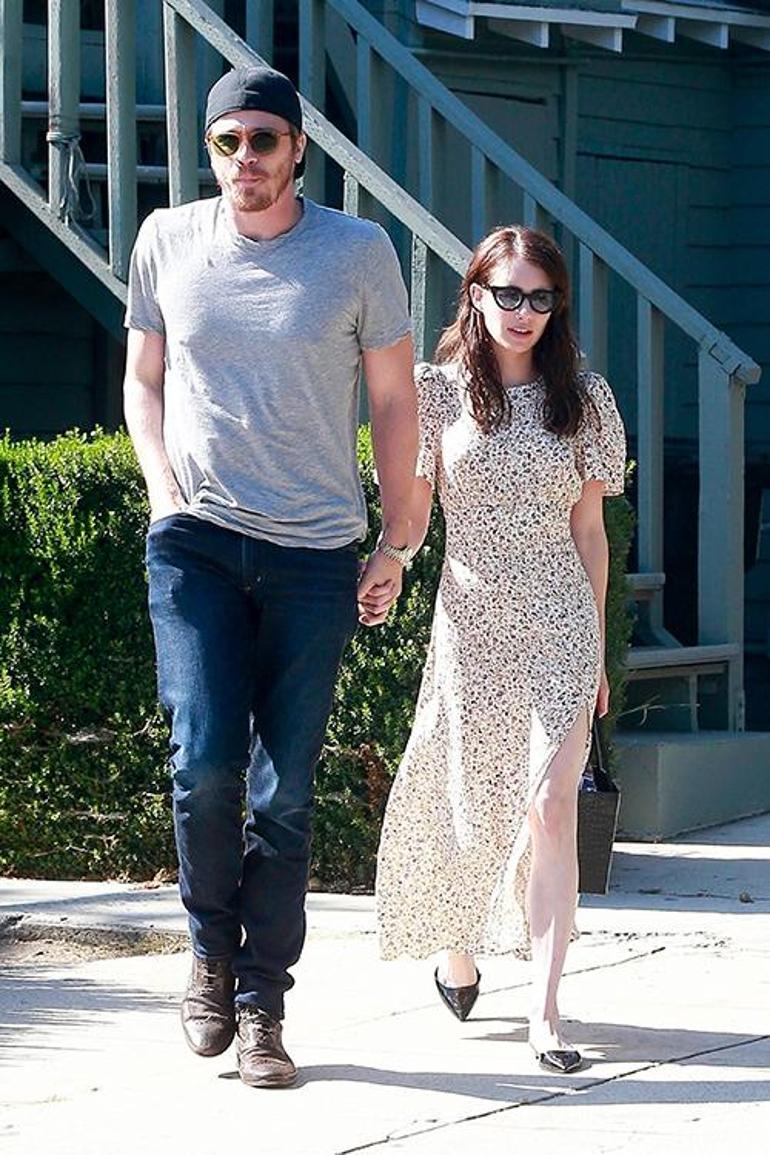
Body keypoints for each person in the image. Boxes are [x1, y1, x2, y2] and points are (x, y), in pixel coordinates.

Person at [123, 64, 417, 1089]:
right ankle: (210, 952)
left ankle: (262, 1008)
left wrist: (397, 538)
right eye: (226, 141)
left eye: (261, 140)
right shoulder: (165, 240)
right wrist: (163, 490)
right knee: (204, 766)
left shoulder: (357, 252)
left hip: (313, 554)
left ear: (297, 149)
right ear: (208, 149)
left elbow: (393, 402)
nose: (242, 158)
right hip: (196, 541)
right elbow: (144, 379)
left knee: (284, 794)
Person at [375, 225, 626, 1074]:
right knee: (467, 799)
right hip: (471, 621)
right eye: (508, 293)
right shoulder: (438, 393)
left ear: (557, 307)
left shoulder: (583, 399)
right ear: (476, 294)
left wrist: (597, 652)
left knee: (552, 807)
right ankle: (458, 945)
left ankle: (546, 1012)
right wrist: (392, 559)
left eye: (540, 297)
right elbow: (413, 513)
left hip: (560, 618)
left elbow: (590, 532)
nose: (523, 311)